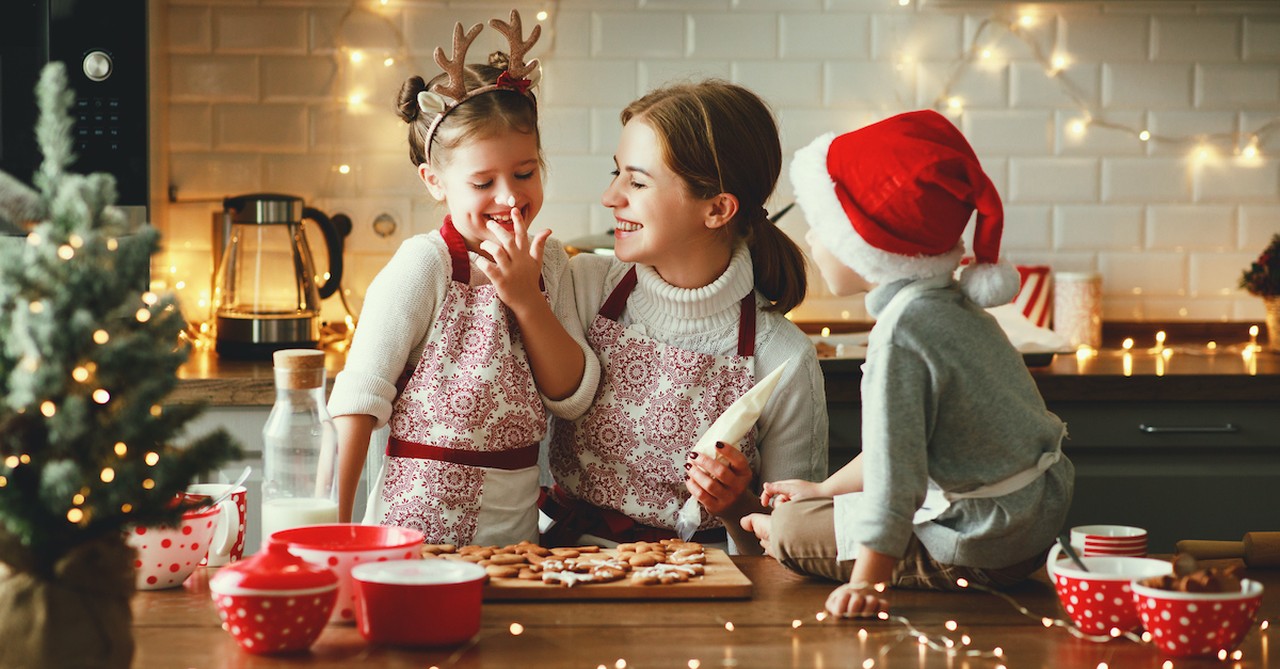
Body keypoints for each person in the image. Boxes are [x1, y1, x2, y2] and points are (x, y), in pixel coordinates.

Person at [741, 110, 1074, 617]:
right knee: (813, 507)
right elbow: (900, 448)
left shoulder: (901, 337)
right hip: (1025, 521)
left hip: (979, 543)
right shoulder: (952, 305)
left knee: (790, 528)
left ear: (868, 245)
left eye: (822, 227)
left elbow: (898, 479)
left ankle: (790, 537)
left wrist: (867, 583)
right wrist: (824, 490)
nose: (810, 240)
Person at [327, 11, 599, 547]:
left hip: (514, 528)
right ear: (435, 181)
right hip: (416, 523)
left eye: (525, 173)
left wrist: (526, 300)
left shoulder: (550, 266)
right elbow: (361, 395)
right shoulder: (423, 265)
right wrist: (336, 525)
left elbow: (570, 394)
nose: (509, 196)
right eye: (482, 182)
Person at [542, 80, 829, 553]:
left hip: (703, 589)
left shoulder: (783, 358)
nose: (610, 197)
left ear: (717, 209)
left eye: (636, 182)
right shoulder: (584, 287)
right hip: (566, 563)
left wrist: (738, 507)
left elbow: (790, 550)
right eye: (616, 174)